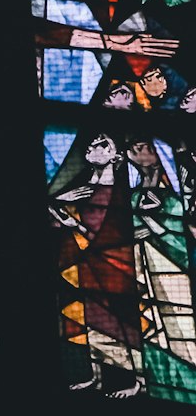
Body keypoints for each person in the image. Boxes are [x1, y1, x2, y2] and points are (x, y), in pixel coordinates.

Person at [49, 132, 144, 396]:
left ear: (116, 156)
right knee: (92, 318)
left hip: (114, 263)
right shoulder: (83, 187)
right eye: (91, 143)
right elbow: (55, 220)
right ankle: (97, 377)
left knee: (121, 320)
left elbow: (110, 231)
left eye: (103, 144)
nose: (93, 146)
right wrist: (62, 205)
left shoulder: (117, 191)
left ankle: (138, 381)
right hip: (86, 261)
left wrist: (72, 222)